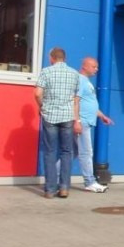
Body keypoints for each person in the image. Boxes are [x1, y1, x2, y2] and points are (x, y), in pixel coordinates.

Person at [35, 47, 80, 199]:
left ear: (52, 58)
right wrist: (77, 119)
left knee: (50, 151)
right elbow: (76, 99)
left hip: (50, 116)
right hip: (67, 116)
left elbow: (37, 93)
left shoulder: (46, 71)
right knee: (66, 151)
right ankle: (64, 188)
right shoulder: (74, 74)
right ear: (64, 58)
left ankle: (50, 190)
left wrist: (42, 106)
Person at [75, 57, 112, 193]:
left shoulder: (87, 82)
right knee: (86, 152)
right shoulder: (80, 80)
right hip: (82, 122)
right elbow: (75, 101)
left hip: (85, 122)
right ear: (84, 66)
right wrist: (77, 121)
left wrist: (102, 116)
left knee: (70, 152)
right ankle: (89, 182)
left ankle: (54, 179)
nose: (96, 69)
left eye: (97, 67)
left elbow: (89, 103)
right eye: (94, 67)